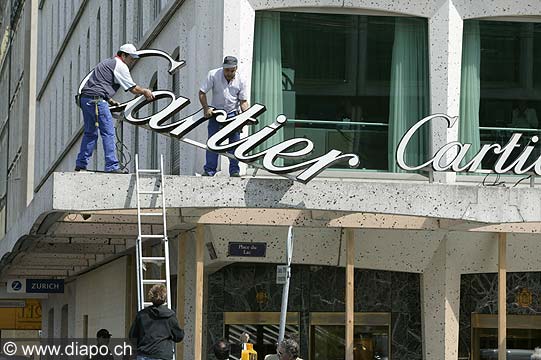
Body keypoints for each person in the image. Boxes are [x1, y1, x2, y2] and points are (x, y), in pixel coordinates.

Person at [75, 43, 155, 173]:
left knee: (90, 133)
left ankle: (81, 164)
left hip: (86, 99)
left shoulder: (107, 62)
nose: (132, 61)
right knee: (108, 132)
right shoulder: (120, 65)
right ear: (123, 55)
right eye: (131, 58)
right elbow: (133, 88)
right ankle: (112, 166)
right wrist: (145, 91)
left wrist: (109, 100)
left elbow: (99, 83)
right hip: (97, 101)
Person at [199, 56, 249, 177]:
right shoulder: (213, 74)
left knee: (234, 143)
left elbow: (243, 101)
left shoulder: (241, 80)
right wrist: (206, 108)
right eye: (227, 70)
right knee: (212, 142)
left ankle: (234, 171)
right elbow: (202, 92)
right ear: (223, 67)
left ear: (236, 68)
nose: (229, 73)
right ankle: (210, 170)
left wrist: (246, 117)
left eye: (232, 70)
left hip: (233, 114)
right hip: (216, 112)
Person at [129, 284, 184, 360]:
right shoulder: (170, 316)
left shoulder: (141, 315)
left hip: (143, 354)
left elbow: (132, 336)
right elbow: (178, 337)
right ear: (164, 298)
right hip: (162, 355)